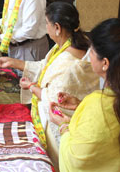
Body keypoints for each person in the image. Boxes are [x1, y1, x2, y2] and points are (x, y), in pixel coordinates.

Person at [0, 1, 99, 168]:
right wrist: (12, 62)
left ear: (57, 27)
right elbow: (44, 67)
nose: (45, 27)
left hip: (64, 124)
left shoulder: (68, 60)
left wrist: (32, 87)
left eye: (46, 23)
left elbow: (55, 98)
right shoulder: (66, 46)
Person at [49, 18, 120, 172]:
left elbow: (75, 162)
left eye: (92, 51)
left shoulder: (98, 105)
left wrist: (64, 126)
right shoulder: (102, 103)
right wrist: (81, 106)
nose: (88, 55)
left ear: (105, 63)